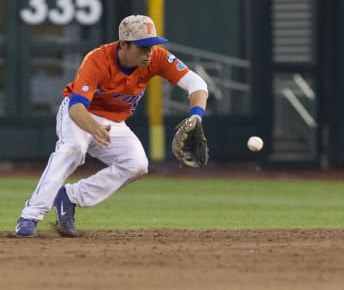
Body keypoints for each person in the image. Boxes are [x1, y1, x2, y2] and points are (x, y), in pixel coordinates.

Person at [15, 14, 209, 238]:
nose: (149, 51)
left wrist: (197, 116)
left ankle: (70, 196)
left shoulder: (156, 58)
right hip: (80, 115)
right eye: (143, 46)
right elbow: (76, 108)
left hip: (114, 122)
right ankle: (30, 215)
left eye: (152, 45)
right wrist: (92, 128)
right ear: (124, 44)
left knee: (137, 164)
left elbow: (197, 83)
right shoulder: (97, 59)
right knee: (73, 149)